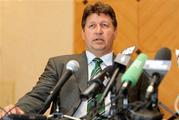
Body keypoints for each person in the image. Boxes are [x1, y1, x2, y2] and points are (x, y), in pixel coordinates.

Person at [0, 1, 150, 119]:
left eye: (105, 25)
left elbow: (148, 110)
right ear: (83, 33)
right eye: (92, 26)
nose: (98, 31)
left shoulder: (134, 69)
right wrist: (19, 109)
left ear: (115, 31)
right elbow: (39, 96)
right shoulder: (60, 65)